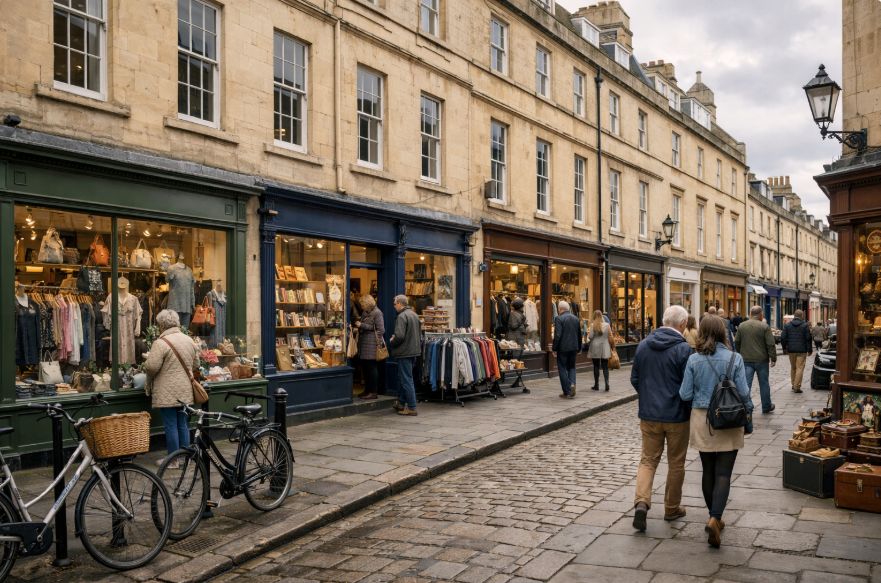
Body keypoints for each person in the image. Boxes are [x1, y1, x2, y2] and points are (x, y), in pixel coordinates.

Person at [679, 316, 754, 548]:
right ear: (723, 333)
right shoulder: (735, 358)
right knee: (724, 474)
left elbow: (685, 395)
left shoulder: (693, 360)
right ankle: (716, 517)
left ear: (701, 333)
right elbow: (743, 392)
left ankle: (713, 516)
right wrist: (748, 414)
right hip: (729, 420)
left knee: (708, 470)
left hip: (703, 420)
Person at [630, 305, 693, 532]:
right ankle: (671, 507)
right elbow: (689, 386)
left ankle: (641, 503)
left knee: (647, 460)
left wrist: (647, 396)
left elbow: (635, 378)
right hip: (677, 416)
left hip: (649, 414)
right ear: (683, 324)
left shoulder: (644, 345)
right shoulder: (684, 350)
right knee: (676, 462)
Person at [143, 309, 198, 461]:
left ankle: (173, 460)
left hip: (167, 390)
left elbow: (152, 367)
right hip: (185, 389)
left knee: (171, 425)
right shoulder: (189, 340)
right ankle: (184, 458)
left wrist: (146, 361)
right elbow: (196, 364)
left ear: (161, 324)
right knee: (183, 424)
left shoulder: (160, 343)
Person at [735, 305, 777, 414]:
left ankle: (745, 405)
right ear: (761, 314)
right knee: (764, 384)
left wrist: (739, 354)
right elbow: (770, 344)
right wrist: (773, 358)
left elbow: (737, 342)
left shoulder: (742, 326)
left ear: (750, 314)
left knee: (746, 384)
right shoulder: (764, 327)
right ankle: (766, 406)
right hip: (761, 360)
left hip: (746, 359)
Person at [390, 295, 421, 416]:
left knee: (406, 379)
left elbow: (400, 336)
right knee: (405, 378)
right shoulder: (414, 314)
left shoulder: (402, 316)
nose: (394, 306)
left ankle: (412, 407)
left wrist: (392, 340)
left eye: (394, 304)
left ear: (399, 304)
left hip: (404, 352)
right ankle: (401, 403)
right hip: (413, 351)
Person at [356, 295, 385, 400]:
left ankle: (373, 392)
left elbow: (381, 330)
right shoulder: (365, 312)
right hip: (364, 344)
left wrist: (362, 326)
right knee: (365, 368)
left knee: (371, 368)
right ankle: (367, 390)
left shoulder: (377, 313)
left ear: (368, 304)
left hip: (372, 344)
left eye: (363, 304)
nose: (362, 307)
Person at [552, 301, 582, 398]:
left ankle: (567, 390)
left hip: (563, 348)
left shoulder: (559, 318)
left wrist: (554, 348)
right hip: (574, 347)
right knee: (572, 367)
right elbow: (579, 335)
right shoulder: (576, 318)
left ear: (560, 309)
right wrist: (579, 347)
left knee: (562, 368)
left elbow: (557, 335)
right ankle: (572, 383)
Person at [781, 309, 812, 393]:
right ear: (802, 316)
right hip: (802, 350)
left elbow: (783, 338)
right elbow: (808, 338)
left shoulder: (787, 325)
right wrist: (810, 350)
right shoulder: (805, 326)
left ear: (794, 316)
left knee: (793, 367)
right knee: (800, 368)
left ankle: (793, 384)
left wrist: (784, 348)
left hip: (791, 350)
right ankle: (796, 386)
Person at [587, 310, 612, 392]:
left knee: (596, 366)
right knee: (605, 366)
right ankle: (607, 383)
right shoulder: (607, 325)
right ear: (602, 316)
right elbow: (609, 335)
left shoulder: (592, 325)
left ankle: (596, 385)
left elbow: (590, 337)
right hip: (605, 346)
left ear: (594, 316)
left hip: (595, 346)